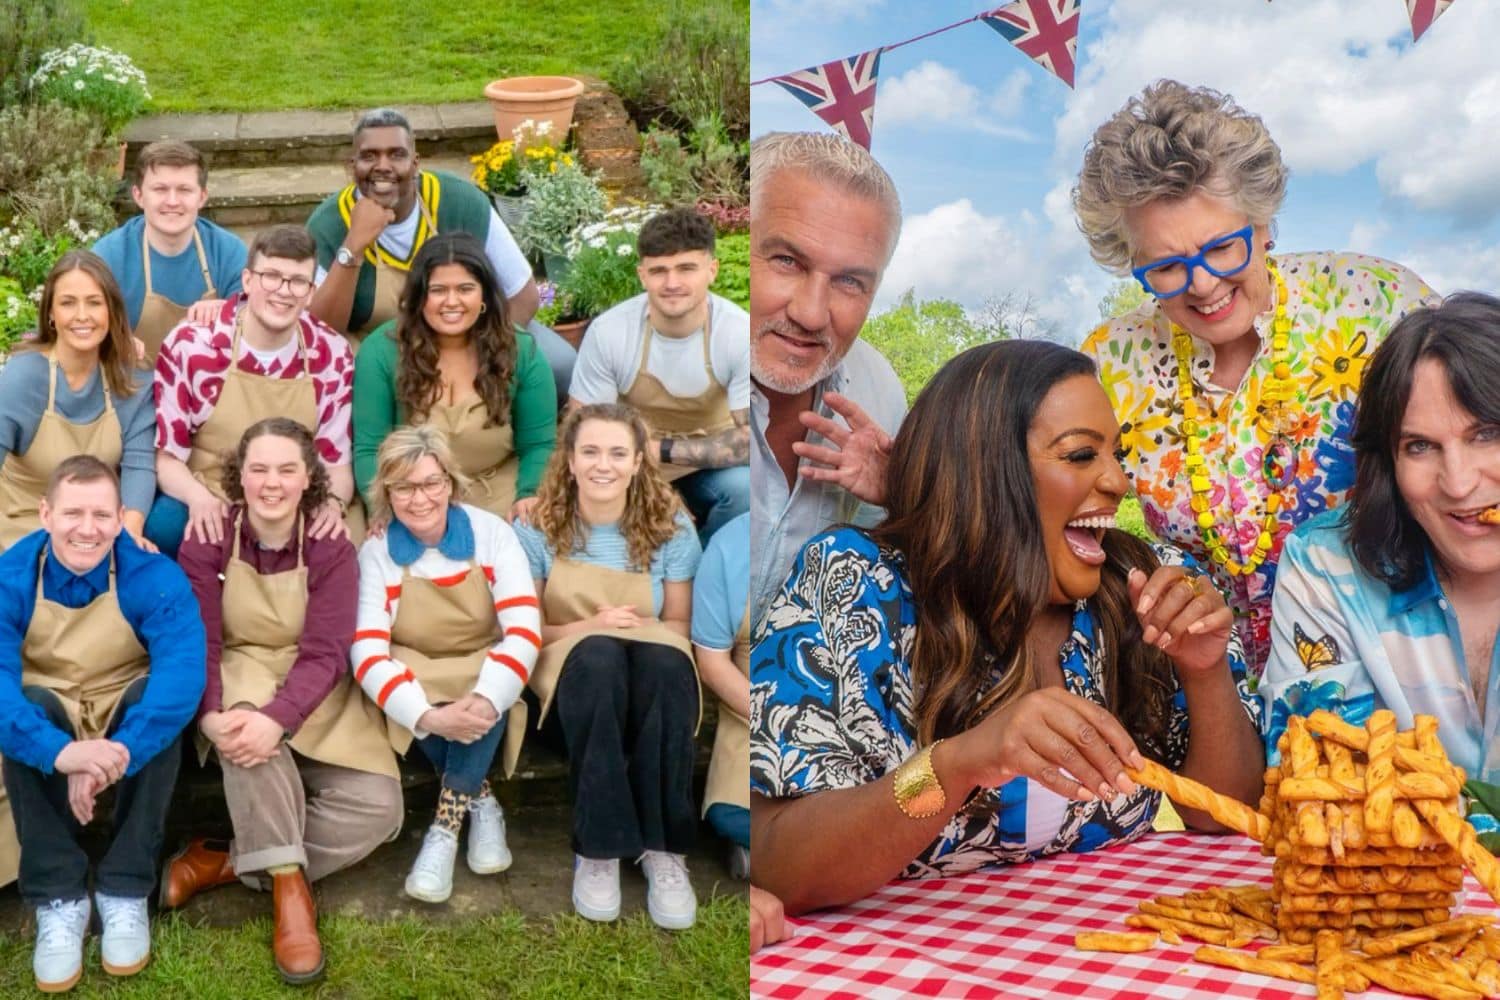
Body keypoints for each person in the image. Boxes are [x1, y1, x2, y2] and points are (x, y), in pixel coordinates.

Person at [750, 340, 1264, 916]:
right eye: (1079, 455)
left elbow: (1224, 816)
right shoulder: (855, 583)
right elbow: (781, 863)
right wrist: (960, 763)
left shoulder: (1140, 584)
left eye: (1115, 455)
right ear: (985, 472)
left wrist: (1204, 669)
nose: (1119, 482)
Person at [1074, 80, 1438, 675]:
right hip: (1222, 689)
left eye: (1222, 248)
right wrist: (921, 480)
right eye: (1165, 266)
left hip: (1407, 676)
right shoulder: (1110, 362)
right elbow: (1040, 486)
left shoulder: (1378, 303)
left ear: (1263, 224)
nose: (1202, 284)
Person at [167, 418, 401, 985]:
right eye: (259, 469)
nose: (272, 483)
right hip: (237, 670)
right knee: (247, 736)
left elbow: (325, 652)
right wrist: (213, 713)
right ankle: (291, 899)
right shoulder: (208, 533)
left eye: (287, 470)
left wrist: (282, 717)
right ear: (239, 476)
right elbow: (202, 638)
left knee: (381, 809)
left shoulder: (330, 543)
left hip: (314, 684)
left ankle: (229, 861)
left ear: (308, 480)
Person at [1261, 293, 1500, 792]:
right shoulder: (1324, 566)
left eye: (1487, 435)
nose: (1457, 483)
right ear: (1387, 463)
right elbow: (1322, 785)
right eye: (1420, 446)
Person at [0, 457, 204, 992]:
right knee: (25, 709)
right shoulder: (12, 574)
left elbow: (182, 674)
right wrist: (59, 754)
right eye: (72, 513)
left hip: (120, 702)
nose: (87, 529)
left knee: (156, 709)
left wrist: (120, 753)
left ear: (120, 518)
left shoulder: (153, 574)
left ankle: (125, 887)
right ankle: (59, 897)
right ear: (45, 514)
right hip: (56, 702)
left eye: (101, 514)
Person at [514, 403, 703, 929]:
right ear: (569, 462)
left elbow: (680, 625)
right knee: (598, 659)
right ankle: (598, 850)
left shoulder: (672, 527)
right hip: (571, 683)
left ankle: (663, 849)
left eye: (618, 453)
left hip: (650, 679)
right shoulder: (537, 528)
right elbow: (527, 634)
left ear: (639, 461)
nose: (604, 464)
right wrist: (591, 627)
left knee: (663, 664)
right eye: (590, 451)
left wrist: (637, 637)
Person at [352, 425, 540, 905]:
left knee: (494, 683)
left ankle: (444, 827)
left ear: (450, 484)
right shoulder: (375, 553)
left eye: (431, 483)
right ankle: (481, 799)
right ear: (386, 493)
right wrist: (429, 716)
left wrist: (484, 697)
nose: (419, 499)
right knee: (413, 692)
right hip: (416, 667)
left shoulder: (491, 534)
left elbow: (521, 630)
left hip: (482, 660)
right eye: (404, 487)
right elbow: (369, 651)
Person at [748, 132, 907, 629]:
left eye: (849, 282)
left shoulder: (879, 393)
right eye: (787, 262)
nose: (812, 314)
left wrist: (896, 499)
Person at [305, 108, 574, 399]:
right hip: (378, 348)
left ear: (415, 163)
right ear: (352, 165)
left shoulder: (461, 203)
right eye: (370, 156)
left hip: (470, 334)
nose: (383, 166)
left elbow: (523, 297)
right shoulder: (330, 223)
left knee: (560, 365)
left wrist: (470, 356)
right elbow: (322, 332)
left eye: (397, 154)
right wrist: (353, 245)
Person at [148, 224, 356, 558]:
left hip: (290, 496)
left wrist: (332, 505)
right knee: (165, 525)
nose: (284, 291)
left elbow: (336, 464)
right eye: (271, 276)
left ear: (311, 292)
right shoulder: (192, 345)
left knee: (340, 538)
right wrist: (198, 499)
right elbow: (167, 458)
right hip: (212, 487)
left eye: (298, 281)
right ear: (247, 281)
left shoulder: (330, 353)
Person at [567, 206, 749, 543]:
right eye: (659, 271)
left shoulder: (738, 333)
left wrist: (659, 450)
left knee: (747, 490)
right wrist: (647, 480)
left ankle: (709, 564)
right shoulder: (610, 331)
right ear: (641, 274)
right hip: (628, 465)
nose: (672, 283)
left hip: (705, 470)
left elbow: (753, 442)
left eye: (686, 268)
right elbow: (584, 429)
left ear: (712, 270)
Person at [353, 231, 556, 521]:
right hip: (411, 500)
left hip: (499, 494)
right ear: (419, 296)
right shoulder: (381, 350)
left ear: (484, 293)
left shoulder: (520, 350)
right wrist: (386, 511)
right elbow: (368, 447)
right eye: (437, 290)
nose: (451, 301)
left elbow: (539, 443)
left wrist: (529, 494)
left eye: (465, 288)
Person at [0, 252, 154, 551]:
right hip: (22, 527)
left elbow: (139, 465)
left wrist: (129, 535)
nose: (82, 315)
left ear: (111, 310)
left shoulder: (132, 379)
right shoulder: (24, 378)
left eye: (94, 303)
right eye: (68, 303)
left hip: (97, 532)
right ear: (51, 314)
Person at [93, 140, 247, 363]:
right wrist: (111, 340)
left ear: (202, 197)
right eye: (160, 189)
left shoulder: (229, 252)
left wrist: (229, 311)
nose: (172, 201)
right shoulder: (108, 257)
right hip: (132, 390)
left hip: (209, 388)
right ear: (138, 195)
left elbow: (256, 330)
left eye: (184, 190)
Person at [692, 511, 750, 877]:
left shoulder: (856, 518)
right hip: (753, 719)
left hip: (846, 720)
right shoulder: (730, 543)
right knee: (732, 815)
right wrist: (778, 720)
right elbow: (712, 664)